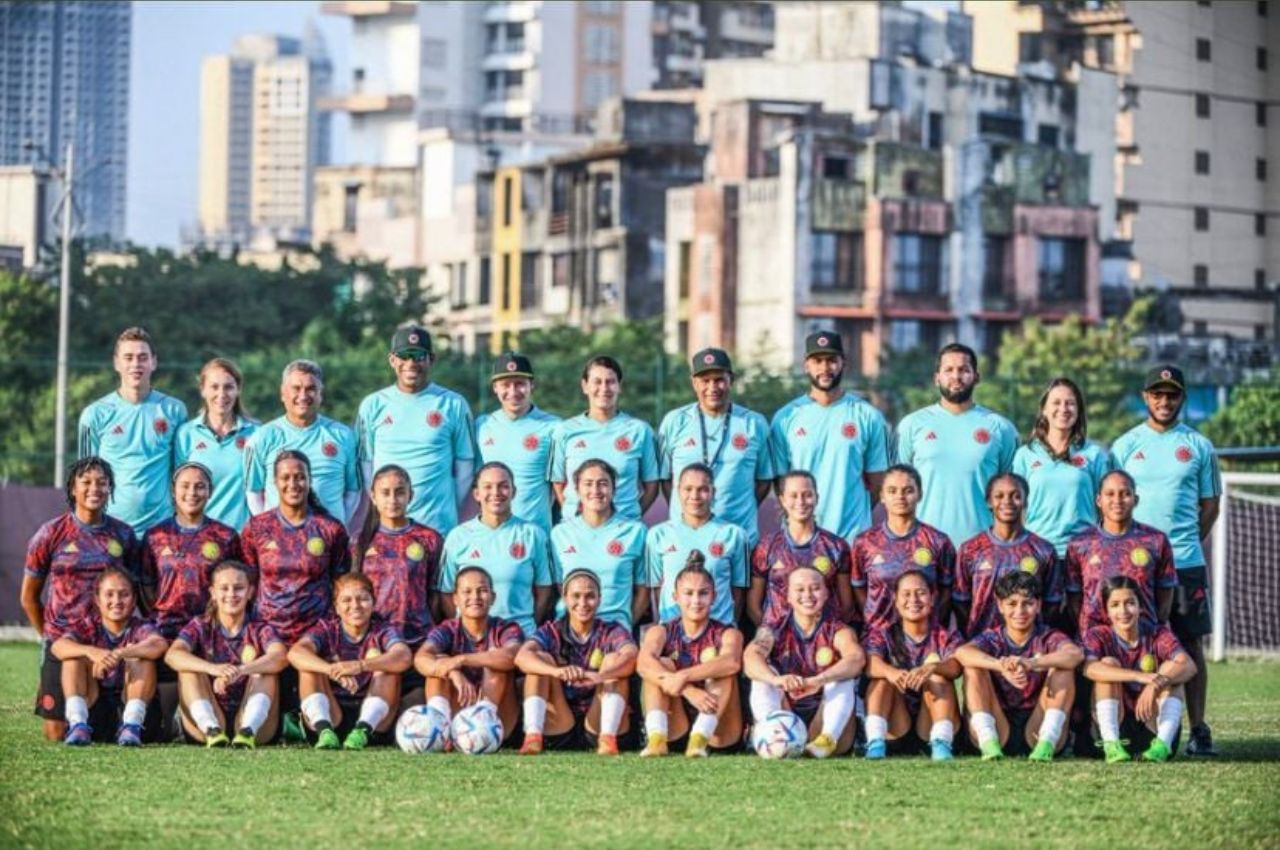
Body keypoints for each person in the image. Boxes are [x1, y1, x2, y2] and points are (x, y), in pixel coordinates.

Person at [1110, 364, 1221, 756]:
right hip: (1136, 566)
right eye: (1157, 394)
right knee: (1131, 642)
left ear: (1182, 398)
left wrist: (1181, 546)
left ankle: (1199, 728)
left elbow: (1210, 506)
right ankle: (1131, 726)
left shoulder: (1199, 446)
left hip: (1186, 563)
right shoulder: (1124, 446)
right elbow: (1112, 499)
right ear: (1145, 398)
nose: (1164, 401)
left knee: (1189, 645)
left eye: (1171, 394)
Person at [22, 457, 141, 741]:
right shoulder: (50, 533)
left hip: (109, 641)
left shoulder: (123, 534)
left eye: (102, 482)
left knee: (103, 726)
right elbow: (29, 597)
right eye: (86, 482)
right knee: (55, 734)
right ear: (73, 488)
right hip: (65, 640)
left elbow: (136, 589)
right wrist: (49, 637)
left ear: (110, 488)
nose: (94, 488)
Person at [895, 342, 1017, 552]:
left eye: (964, 370)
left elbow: (1014, 493)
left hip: (984, 549)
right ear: (937, 378)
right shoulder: (912, 425)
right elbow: (895, 489)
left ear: (976, 377)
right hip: (923, 548)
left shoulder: (1001, 428)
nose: (956, 376)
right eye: (948, 370)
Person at [769, 332, 889, 544]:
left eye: (832, 360)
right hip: (799, 541)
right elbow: (781, 483)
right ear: (806, 364)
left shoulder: (868, 416)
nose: (825, 368)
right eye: (817, 361)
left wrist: (851, 513)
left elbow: (877, 483)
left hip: (851, 539)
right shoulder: (785, 418)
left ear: (843, 363)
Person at [356, 325, 475, 535]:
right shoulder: (372, 405)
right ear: (392, 360)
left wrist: (444, 508)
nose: (411, 363)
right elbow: (367, 467)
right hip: (386, 530)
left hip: (437, 528)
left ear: (431, 359)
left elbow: (465, 469)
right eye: (404, 355)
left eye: (419, 356)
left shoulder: (453, 404)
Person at [955, 571, 1083, 761]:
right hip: (999, 724)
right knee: (973, 668)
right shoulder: (993, 637)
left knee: (1063, 668)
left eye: (1028, 603)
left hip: (1037, 725)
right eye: (1012, 604)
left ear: (1038, 605)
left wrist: (1032, 663)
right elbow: (962, 653)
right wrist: (1001, 666)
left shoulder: (1047, 636)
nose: (1020, 612)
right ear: (1000, 606)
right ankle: (988, 743)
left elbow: (1075, 654)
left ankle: (1047, 743)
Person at [1011, 377, 1114, 606]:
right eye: (1056, 403)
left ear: (1078, 410)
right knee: (1039, 629)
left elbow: (1107, 509)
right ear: (1044, 409)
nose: (1063, 409)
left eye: (1070, 403)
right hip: (1037, 554)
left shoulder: (1094, 455)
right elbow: (1015, 509)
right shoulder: (1025, 455)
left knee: (1083, 628)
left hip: (1083, 554)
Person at [743, 567, 865, 758]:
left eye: (815, 588)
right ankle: (771, 733)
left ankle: (826, 740)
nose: (807, 595)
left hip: (824, 720)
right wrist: (777, 680)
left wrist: (818, 680)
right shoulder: (771, 629)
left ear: (826, 593)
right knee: (764, 675)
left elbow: (856, 658)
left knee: (842, 674)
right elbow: (750, 658)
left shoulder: (839, 630)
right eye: (799, 589)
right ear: (788, 596)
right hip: (786, 713)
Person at [164, 560, 289, 748]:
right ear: (213, 593)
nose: (231, 594)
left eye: (238, 588)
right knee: (188, 670)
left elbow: (280, 656)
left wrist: (239, 671)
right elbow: (172, 655)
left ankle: (248, 731)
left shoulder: (260, 628)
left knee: (265, 672)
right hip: (209, 716)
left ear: (250, 592)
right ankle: (211, 729)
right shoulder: (200, 625)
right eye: (224, 588)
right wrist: (213, 669)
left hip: (255, 721)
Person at [658, 348, 776, 546]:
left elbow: (764, 480)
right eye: (705, 381)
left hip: (739, 536)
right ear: (694, 383)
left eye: (719, 379)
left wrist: (739, 507)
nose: (712, 387)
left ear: (731, 380)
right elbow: (665, 479)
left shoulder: (754, 423)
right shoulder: (674, 422)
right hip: (686, 536)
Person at [77, 326, 188, 534]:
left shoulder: (174, 410)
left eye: (142, 357)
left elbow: (181, 473)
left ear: (153, 362)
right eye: (128, 357)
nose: (136, 364)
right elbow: (83, 479)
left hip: (161, 529)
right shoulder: (95, 414)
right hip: (109, 529)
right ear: (116, 363)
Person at [514, 571, 638, 755]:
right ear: (564, 598)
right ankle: (533, 737)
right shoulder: (551, 630)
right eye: (576, 596)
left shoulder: (612, 630)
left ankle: (608, 740)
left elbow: (632, 656)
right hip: (560, 721)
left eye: (590, 596)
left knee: (614, 661)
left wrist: (600, 677)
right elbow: (521, 657)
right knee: (541, 661)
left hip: (598, 717)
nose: (583, 603)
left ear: (599, 599)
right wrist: (557, 671)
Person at [351, 464, 443, 707]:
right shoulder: (358, 543)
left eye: (400, 492)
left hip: (417, 639)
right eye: (385, 492)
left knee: (415, 704)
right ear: (373, 496)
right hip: (376, 643)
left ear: (410, 495)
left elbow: (435, 593)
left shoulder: (428, 539)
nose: (393, 499)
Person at [289, 572, 413, 749]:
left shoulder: (383, 630)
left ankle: (362, 730)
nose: (355, 606)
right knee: (309, 667)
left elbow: (404, 656)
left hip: (374, 722)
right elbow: (295, 652)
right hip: (332, 714)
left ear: (373, 602)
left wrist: (360, 666)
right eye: (346, 600)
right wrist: (332, 670)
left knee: (389, 668)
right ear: (337, 607)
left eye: (363, 599)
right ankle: (324, 731)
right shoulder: (326, 628)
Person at [241, 451, 351, 647]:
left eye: (300, 477)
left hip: (317, 630)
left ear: (309, 480)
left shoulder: (330, 528)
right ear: (275, 481)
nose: (293, 484)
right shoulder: (257, 527)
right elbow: (248, 580)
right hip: (267, 630)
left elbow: (340, 581)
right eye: (285, 477)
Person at [1082, 576, 1197, 763]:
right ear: (1106, 611)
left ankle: (1163, 745)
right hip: (1116, 723)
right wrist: (1139, 677)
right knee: (1108, 664)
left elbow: (1189, 666)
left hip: (1151, 725)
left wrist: (1156, 683)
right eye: (1115, 605)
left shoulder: (1157, 633)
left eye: (1130, 603)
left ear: (1140, 606)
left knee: (1170, 670)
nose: (1123, 611)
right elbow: (1090, 668)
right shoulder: (1098, 635)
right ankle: (1111, 745)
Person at [636, 561, 745, 758]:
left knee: (723, 669)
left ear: (714, 597)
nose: (696, 600)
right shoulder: (661, 631)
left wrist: (683, 675)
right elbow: (643, 664)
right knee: (661, 665)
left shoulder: (728, 633)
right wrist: (688, 690)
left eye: (703, 593)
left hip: (718, 731)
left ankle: (699, 740)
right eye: (688, 593)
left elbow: (732, 662)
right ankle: (657, 739)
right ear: (675, 597)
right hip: (677, 723)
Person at [54, 567, 168, 746]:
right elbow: (58, 646)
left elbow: (159, 644)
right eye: (109, 594)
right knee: (74, 657)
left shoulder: (140, 627)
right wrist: (91, 652)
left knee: (141, 656)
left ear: (134, 600)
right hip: (95, 708)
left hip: (134, 712)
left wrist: (122, 653)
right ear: (97, 600)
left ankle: (132, 725)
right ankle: (78, 724)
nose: (117, 601)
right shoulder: (88, 625)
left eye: (124, 594)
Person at [437, 462, 554, 637]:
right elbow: (446, 593)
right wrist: (467, 629)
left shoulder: (533, 535)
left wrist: (528, 628)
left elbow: (544, 590)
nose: (496, 493)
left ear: (514, 492)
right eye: (488, 487)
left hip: (521, 638)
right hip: (472, 641)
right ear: (476, 494)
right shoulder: (458, 537)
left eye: (503, 486)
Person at [415, 567, 524, 743]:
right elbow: (421, 659)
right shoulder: (447, 629)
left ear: (493, 597)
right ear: (455, 599)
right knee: (438, 663)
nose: (475, 597)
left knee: (495, 659)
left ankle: (485, 720)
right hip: (459, 710)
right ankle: (441, 728)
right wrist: (451, 670)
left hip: (498, 716)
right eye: (467, 591)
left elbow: (512, 656)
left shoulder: (505, 628)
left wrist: (461, 659)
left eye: (482, 591)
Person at [245, 359, 360, 525]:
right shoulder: (262, 437)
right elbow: (253, 493)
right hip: (281, 542)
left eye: (311, 389)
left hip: (330, 542)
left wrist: (337, 526)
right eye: (296, 388)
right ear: (283, 393)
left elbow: (353, 491)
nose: (303, 395)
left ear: (321, 394)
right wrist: (271, 528)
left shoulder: (343, 436)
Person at [862, 571, 963, 760]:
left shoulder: (945, 634)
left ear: (932, 598)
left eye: (921, 593)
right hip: (897, 724)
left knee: (937, 676)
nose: (914, 600)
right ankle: (875, 741)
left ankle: (941, 741)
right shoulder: (883, 633)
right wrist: (890, 671)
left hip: (932, 722)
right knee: (882, 679)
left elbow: (956, 667)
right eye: (906, 594)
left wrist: (933, 668)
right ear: (896, 600)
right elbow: (869, 664)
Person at [1065, 469, 1177, 637]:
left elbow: (1165, 592)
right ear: (1098, 500)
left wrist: (1153, 628)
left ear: (1136, 500)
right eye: (1110, 494)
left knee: (1183, 663)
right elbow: (1074, 597)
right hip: (1093, 638)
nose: (1117, 500)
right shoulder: (1080, 543)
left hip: (1142, 637)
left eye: (1125, 494)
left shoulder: (1156, 540)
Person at [141, 462, 242, 643]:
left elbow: (237, 582)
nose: (192, 493)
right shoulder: (155, 536)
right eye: (185, 486)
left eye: (200, 487)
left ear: (210, 492)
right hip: (163, 630)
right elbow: (146, 584)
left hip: (210, 630)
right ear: (173, 490)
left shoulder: (226, 536)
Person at [550, 356, 659, 522]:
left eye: (610, 381)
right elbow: (558, 484)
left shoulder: (639, 431)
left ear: (619, 387)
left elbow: (652, 487)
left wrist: (629, 519)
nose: (604, 388)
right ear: (585, 386)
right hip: (576, 533)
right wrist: (578, 520)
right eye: (597, 381)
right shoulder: (565, 431)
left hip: (623, 532)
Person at [851, 465, 955, 633]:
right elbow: (858, 586)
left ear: (919, 494)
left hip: (924, 636)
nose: (900, 497)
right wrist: (873, 618)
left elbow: (946, 590)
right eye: (892, 491)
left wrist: (932, 623)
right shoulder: (865, 542)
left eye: (908, 490)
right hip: (879, 636)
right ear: (882, 496)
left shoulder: (938, 541)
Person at [954, 473, 1059, 638]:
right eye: (999, 496)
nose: (1007, 502)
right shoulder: (970, 549)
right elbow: (961, 602)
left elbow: (1052, 603)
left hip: (1029, 650)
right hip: (982, 645)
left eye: (1016, 496)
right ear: (989, 501)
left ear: (1025, 501)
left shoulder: (1044, 550)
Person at [646, 464, 749, 626]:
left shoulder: (733, 535)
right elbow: (656, 587)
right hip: (673, 633)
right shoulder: (659, 535)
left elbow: (738, 589)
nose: (695, 495)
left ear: (713, 492)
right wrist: (665, 625)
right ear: (678, 491)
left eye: (702, 489)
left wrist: (729, 625)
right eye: (688, 489)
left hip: (719, 631)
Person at [748, 470, 853, 627]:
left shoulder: (836, 546)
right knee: (753, 652)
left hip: (824, 639)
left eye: (807, 495)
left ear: (817, 498)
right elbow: (753, 606)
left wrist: (826, 635)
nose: (801, 501)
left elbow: (847, 606)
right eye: (793, 496)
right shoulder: (766, 546)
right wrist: (770, 635)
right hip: (774, 636)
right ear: (782, 500)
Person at [550, 459, 647, 628]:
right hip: (569, 632)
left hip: (616, 633)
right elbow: (560, 587)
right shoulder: (560, 534)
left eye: (603, 484)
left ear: (613, 489)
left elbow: (644, 592)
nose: (595, 490)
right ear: (577, 490)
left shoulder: (635, 532)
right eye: (588, 484)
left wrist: (625, 627)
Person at [474, 352, 560, 532]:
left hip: (535, 536)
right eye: (505, 385)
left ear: (532, 385)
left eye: (520, 384)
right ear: (495, 387)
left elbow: (561, 488)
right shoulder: (481, 426)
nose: (513, 392)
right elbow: (473, 486)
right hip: (491, 537)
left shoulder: (554, 427)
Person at [174, 357, 257, 530]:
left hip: (242, 539)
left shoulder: (256, 433)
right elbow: (178, 493)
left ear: (238, 390)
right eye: (214, 387)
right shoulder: (185, 434)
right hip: (199, 538)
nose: (221, 394)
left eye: (228, 387)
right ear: (202, 390)